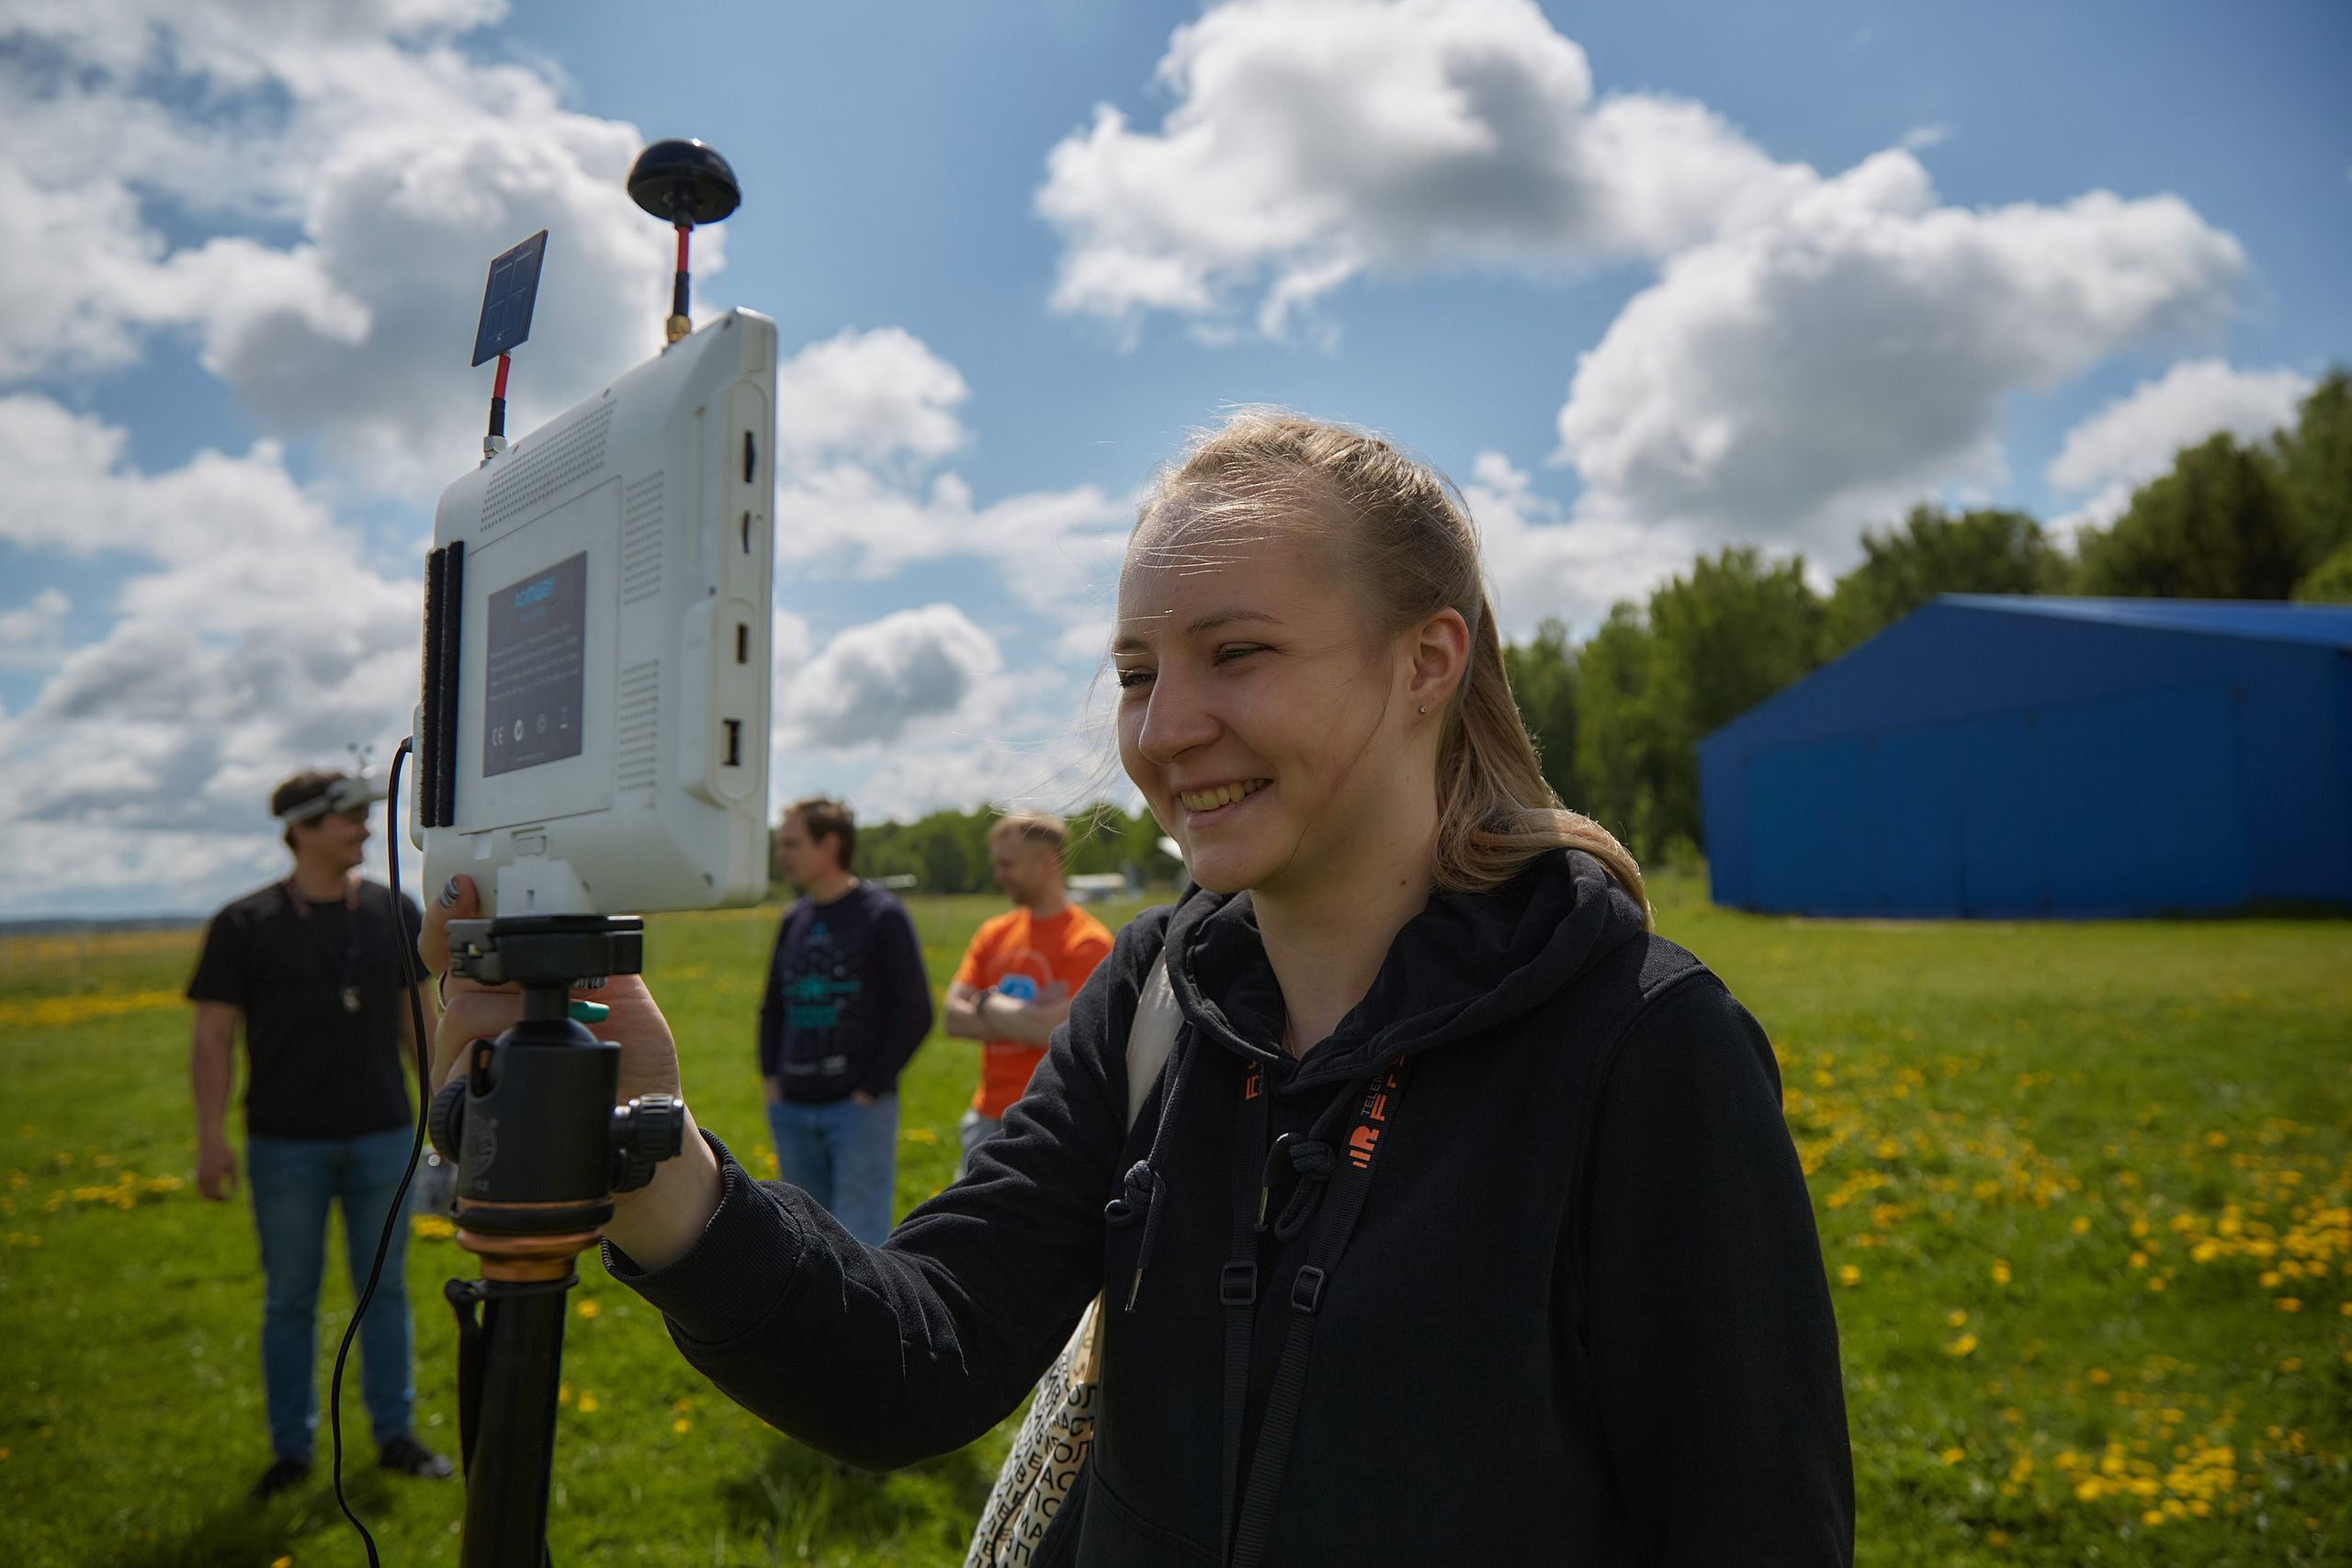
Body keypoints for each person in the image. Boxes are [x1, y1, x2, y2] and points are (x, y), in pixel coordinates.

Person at [433, 412, 1854, 1563]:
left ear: (1429, 658)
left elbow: (1757, 1522)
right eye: (1134, 670)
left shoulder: (1642, 1044)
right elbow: (926, 1351)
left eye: (1238, 653)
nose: (1166, 730)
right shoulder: (1156, 999)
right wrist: (652, 1156)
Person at [187, 769, 454, 1501]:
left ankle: (394, 1433)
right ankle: (292, 1450)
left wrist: (443, 1111)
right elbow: (212, 1039)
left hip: (382, 1138)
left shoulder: (391, 909)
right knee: (290, 1301)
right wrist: (211, 1140)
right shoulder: (244, 923)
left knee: (385, 1291)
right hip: (284, 1146)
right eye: (350, 818)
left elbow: (414, 1019)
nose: (367, 828)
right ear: (303, 828)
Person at [754, 797, 933, 1246]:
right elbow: (773, 1007)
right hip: (792, 1109)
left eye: (792, 844)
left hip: (856, 1113)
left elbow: (914, 1012)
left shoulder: (881, 915)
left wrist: (869, 1090)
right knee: (802, 1243)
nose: (782, 855)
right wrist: (772, 1081)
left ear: (829, 845)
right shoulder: (793, 918)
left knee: (859, 1243)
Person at [944, 812, 1114, 1180]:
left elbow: (1049, 1031)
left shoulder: (1088, 942)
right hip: (986, 1115)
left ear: (1047, 863)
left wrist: (986, 1001)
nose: (998, 875)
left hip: (1051, 1118)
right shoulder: (993, 933)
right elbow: (953, 1018)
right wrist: (1030, 1015)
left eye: (1007, 864)